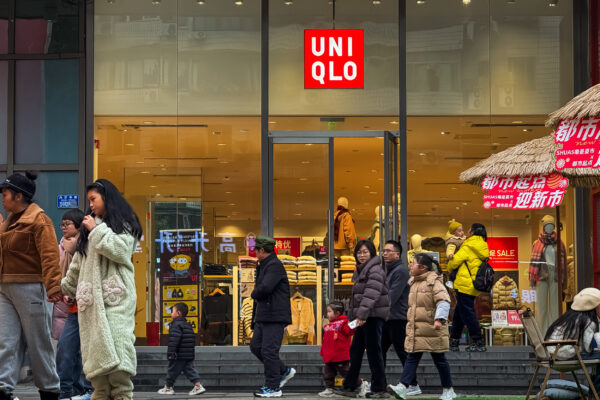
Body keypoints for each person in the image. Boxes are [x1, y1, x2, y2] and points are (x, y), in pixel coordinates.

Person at [61, 179, 142, 400]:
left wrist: (96, 230)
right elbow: (79, 261)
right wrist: (66, 287)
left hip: (116, 297)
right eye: (89, 200)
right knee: (98, 369)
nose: (91, 204)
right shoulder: (89, 228)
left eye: (93, 199)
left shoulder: (125, 223)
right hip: (91, 301)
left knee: (117, 347)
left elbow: (120, 251)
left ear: (106, 197)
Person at [0, 172, 63, 400]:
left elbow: (50, 256)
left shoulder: (39, 220)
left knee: (39, 343)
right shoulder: (7, 222)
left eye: (5, 194)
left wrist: (54, 286)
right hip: (5, 288)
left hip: (31, 287)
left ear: (18, 196)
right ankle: (3, 388)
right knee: (6, 342)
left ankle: (49, 390)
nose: (3, 198)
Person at [387, 254, 456, 400]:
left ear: (423, 267)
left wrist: (439, 319)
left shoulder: (434, 282)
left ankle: (448, 389)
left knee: (440, 360)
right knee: (412, 357)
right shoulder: (414, 283)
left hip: (433, 330)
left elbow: (443, 301)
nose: (411, 266)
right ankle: (403, 387)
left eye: (413, 264)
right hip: (418, 330)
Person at [336, 240, 390, 399]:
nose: (362, 255)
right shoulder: (362, 269)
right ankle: (350, 385)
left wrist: (360, 315)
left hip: (371, 317)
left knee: (374, 352)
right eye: (359, 252)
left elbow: (370, 295)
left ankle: (380, 388)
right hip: (365, 317)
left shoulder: (374, 270)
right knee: (356, 352)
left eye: (365, 252)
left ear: (372, 253)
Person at [55, 209, 94, 400]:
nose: (63, 228)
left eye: (67, 224)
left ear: (79, 225)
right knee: (66, 348)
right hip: (70, 306)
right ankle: (67, 389)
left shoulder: (86, 245)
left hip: (88, 305)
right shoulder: (61, 246)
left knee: (86, 350)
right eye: (62, 224)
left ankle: (87, 388)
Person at [250, 236, 295, 398]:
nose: (254, 252)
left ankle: (273, 387)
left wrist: (253, 294)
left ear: (262, 250)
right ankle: (284, 371)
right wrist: (254, 319)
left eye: (256, 249)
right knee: (255, 346)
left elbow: (265, 288)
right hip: (264, 315)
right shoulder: (264, 265)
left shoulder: (274, 265)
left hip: (275, 316)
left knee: (269, 351)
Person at [381, 240, 420, 396]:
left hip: (397, 318)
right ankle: (379, 382)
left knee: (402, 351)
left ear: (397, 254)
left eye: (388, 251)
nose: (384, 253)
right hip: (387, 317)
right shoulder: (388, 270)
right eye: (383, 251)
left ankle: (413, 384)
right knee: (379, 349)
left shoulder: (401, 271)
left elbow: (392, 296)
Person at [545, 288, 600, 396]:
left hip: (556, 354)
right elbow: (588, 347)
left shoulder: (572, 317)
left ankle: (594, 394)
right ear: (593, 307)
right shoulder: (587, 321)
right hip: (565, 354)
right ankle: (596, 394)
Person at [447, 223, 489, 352]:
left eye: (469, 230)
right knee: (460, 313)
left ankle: (478, 340)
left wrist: (450, 261)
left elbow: (452, 265)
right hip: (473, 283)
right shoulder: (482, 245)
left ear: (472, 232)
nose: (467, 232)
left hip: (465, 284)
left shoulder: (468, 245)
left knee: (468, 313)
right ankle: (454, 340)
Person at [157, 303, 206, 396]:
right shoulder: (187, 325)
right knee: (189, 370)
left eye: (172, 311)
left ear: (178, 313)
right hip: (187, 353)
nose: (171, 314)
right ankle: (198, 385)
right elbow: (191, 339)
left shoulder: (175, 325)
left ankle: (168, 387)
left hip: (179, 353)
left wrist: (171, 353)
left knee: (172, 370)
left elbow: (174, 340)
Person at [319, 301, 356, 398]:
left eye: (329, 311)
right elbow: (325, 341)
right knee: (328, 373)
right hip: (330, 356)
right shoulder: (328, 325)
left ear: (337, 313)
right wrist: (323, 351)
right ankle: (329, 388)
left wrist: (354, 324)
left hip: (340, 355)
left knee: (346, 372)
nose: (327, 314)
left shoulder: (343, 323)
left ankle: (360, 385)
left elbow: (349, 331)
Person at [444, 220, 465, 290]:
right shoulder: (453, 241)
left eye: (462, 230)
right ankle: (450, 281)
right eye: (459, 231)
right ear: (453, 233)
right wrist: (450, 255)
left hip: (459, 259)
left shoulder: (462, 239)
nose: (462, 232)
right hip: (454, 259)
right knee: (454, 271)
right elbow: (450, 249)